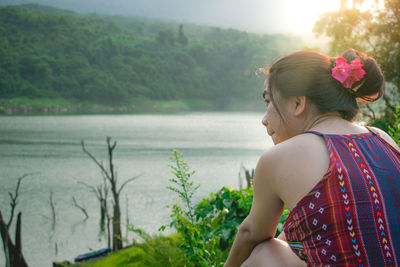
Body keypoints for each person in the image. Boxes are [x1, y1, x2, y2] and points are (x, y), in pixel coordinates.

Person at [224, 49, 400, 266]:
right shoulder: (382, 138)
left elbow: (250, 233)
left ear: (298, 103)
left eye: (268, 101)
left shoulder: (280, 157)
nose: (264, 119)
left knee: (265, 252)